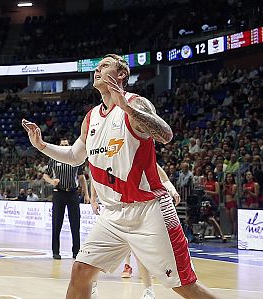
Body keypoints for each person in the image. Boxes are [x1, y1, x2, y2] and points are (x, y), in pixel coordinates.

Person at [22, 54, 217, 299]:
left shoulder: (136, 103)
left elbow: (166, 135)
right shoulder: (91, 116)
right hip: (112, 214)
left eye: (104, 65)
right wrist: (42, 145)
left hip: (148, 210)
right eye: (97, 67)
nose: (97, 70)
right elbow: (74, 155)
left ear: (121, 74)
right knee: (80, 272)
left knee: (185, 286)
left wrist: (126, 108)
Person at [90, 163, 180, 299]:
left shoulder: (137, 152)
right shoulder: (105, 154)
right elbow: (95, 176)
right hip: (113, 210)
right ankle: (92, 287)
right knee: (94, 254)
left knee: (140, 254)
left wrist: (172, 190)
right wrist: (93, 198)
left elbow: (160, 172)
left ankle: (148, 292)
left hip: (138, 208)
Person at [42, 137, 89, 259]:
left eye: (66, 145)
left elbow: (81, 177)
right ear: (59, 146)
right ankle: (56, 251)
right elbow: (45, 175)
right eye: (62, 145)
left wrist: (87, 194)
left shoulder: (76, 158)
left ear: (70, 146)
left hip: (73, 193)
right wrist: (52, 181)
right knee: (57, 223)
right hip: (59, 193)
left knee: (75, 223)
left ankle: (76, 251)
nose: (64, 146)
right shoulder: (53, 158)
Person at [223, 173, 238, 237]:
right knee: (229, 220)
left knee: (233, 219)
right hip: (227, 203)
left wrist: (227, 188)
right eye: (228, 177)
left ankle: (234, 233)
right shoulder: (226, 186)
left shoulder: (234, 185)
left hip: (232, 202)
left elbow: (232, 194)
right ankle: (232, 231)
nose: (229, 178)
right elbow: (223, 194)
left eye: (230, 177)